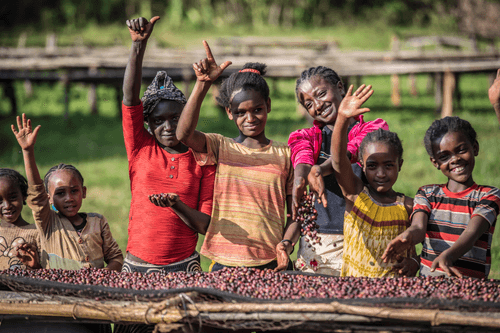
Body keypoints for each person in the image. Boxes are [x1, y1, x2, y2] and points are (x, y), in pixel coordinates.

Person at [176, 41, 297, 272]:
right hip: (224, 262)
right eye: (241, 112)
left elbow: (294, 215)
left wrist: (286, 245)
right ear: (229, 113)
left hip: (272, 263)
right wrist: (202, 84)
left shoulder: (285, 154)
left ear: (268, 106)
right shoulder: (220, 147)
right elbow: (183, 134)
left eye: (257, 110)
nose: (250, 118)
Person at [121, 16, 215, 274]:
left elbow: (205, 225)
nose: (168, 126)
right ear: (148, 124)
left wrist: (176, 204)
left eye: (176, 118)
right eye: (158, 121)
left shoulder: (203, 157)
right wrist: (138, 46)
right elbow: (130, 98)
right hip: (137, 264)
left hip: (184, 267)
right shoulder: (141, 147)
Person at [288, 66, 389, 275]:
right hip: (319, 243)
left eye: (321, 94)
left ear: (340, 87)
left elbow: (349, 152)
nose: (317, 105)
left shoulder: (373, 131)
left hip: (365, 235)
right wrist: (300, 178)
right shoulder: (306, 136)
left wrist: (320, 169)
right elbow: (302, 157)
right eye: (309, 104)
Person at [382, 116, 500, 278]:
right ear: (435, 162)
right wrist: (408, 236)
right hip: (429, 287)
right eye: (444, 156)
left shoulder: (488, 195)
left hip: (472, 289)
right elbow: (418, 228)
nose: (455, 159)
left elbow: (472, 233)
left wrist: (449, 255)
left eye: (461, 150)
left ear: (475, 148)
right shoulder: (427, 194)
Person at [12, 114, 123, 271]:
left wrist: (102, 277)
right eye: (60, 193)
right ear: (48, 198)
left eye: (74, 191)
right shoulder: (48, 222)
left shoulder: (98, 222)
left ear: (83, 192)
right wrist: (27, 151)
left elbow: (116, 258)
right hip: (57, 294)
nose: (69, 198)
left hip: (94, 293)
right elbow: (36, 195)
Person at [330, 84, 417, 277]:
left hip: (394, 295)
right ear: (360, 164)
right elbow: (337, 160)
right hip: (353, 291)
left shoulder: (409, 207)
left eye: (388, 165)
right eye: (372, 166)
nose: (380, 173)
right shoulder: (355, 195)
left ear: (399, 165)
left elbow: (414, 252)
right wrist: (342, 119)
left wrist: (414, 263)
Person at [0, 168, 41, 270]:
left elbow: (47, 274)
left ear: (23, 196)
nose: (7, 205)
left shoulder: (36, 233)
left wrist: (35, 266)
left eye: (13, 197)